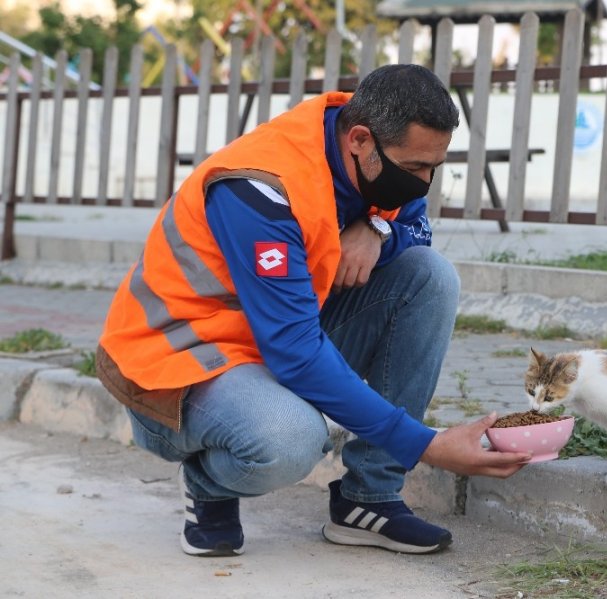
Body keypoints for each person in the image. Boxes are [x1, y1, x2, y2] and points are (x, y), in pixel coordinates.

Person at [96, 63, 530, 558]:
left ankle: (368, 500)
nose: (424, 183)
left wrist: (377, 231)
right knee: (289, 439)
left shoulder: (380, 153)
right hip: (178, 364)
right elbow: (296, 353)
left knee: (429, 276)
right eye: (414, 169)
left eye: (434, 167)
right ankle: (208, 483)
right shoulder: (260, 188)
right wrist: (426, 444)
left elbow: (414, 229)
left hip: (269, 338)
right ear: (360, 141)